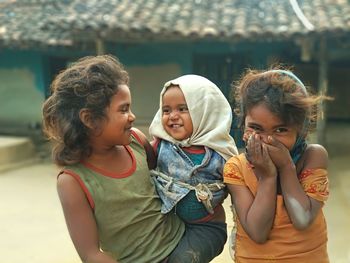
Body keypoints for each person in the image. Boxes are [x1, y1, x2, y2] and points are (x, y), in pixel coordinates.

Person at [42, 55, 216, 263]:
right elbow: (91, 254)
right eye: (124, 109)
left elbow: (168, 181)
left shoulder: (136, 141)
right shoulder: (73, 181)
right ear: (89, 119)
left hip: (182, 243)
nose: (132, 116)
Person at [224, 68, 330, 262]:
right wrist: (267, 177)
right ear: (242, 124)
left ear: (301, 131)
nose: (266, 140)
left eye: (281, 130)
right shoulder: (236, 168)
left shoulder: (313, 156)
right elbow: (257, 232)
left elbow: (303, 219)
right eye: (256, 128)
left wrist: (286, 167)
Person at [149, 74, 238, 261]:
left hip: (206, 228)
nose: (173, 116)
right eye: (166, 110)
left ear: (205, 111)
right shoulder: (160, 145)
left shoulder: (222, 155)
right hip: (166, 223)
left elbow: (240, 197)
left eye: (183, 109)